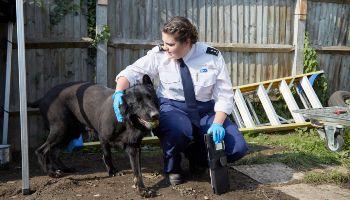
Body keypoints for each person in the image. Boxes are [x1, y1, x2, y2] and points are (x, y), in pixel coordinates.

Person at [113, 16, 248, 185]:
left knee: (237, 147)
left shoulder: (211, 56)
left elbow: (224, 93)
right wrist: (119, 92)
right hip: (172, 106)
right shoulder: (159, 55)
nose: (165, 48)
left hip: (205, 109)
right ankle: (173, 166)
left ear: (187, 42)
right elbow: (132, 72)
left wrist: (218, 123)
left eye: (171, 44)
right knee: (178, 131)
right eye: (164, 42)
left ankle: (197, 158)